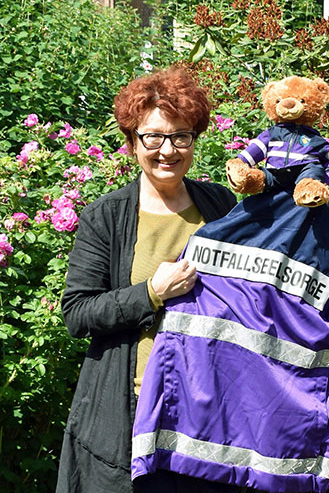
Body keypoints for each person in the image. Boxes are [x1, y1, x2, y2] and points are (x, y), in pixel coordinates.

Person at [56, 67, 239, 493]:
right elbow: (78, 313)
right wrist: (152, 293)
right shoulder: (107, 216)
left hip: (208, 406)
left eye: (181, 136)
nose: (167, 150)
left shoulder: (221, 205)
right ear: (132, 141)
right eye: (152, 136)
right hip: (135, 406)